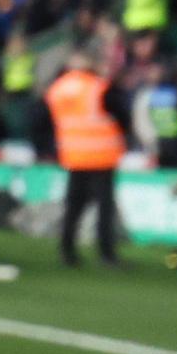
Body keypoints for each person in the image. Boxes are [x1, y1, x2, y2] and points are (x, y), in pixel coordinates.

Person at [45, 36, 128, 268]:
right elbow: (122, 113)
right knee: (104, 207)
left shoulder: (58, 88)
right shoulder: (98, 87)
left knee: (74, 205)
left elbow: (42, 119)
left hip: (74, 154)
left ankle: (67, 249)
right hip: (101, 154)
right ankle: (106, 254)